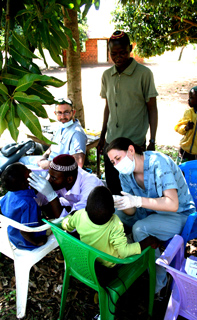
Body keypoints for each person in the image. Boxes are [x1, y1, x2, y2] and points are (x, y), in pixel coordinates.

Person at [106, 137, 196, 296]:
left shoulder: (158, 163)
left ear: (131, 150)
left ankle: (159, 284)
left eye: (118, 158)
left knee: (140, 229)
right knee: (114, 216)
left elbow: (172, 204)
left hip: (178, 213)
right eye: (113, 162)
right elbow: (132, 212)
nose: (117, 165)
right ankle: (119, 260)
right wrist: (121, 203)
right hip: (149, 211)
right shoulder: (125, 174)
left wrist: (137, 200)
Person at [97, 30, 158, 195]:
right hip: (111, 143)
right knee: (114, 187)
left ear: (130, 48)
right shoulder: (106, 75)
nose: (118, 57)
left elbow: (152, 108)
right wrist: (102, 137)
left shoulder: (144, 74)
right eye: (114, 53)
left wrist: (152, 140)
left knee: (135, 190)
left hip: (134, 143)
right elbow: (108, 107)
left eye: (123, 52)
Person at [61, 185, 160, 268]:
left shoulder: (79, 215)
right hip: (111, 263)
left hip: (90, 259)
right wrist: (147, 242)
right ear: (113, 212)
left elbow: (65, 225)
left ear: (86, 208)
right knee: (133, 237)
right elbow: (124, 252)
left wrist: (70, 216)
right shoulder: (115, 223)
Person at [28, 154, 104, 220]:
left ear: (69, 179)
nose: (49, 180)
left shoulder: (90, 187)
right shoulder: (58, 176)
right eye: (49, 175)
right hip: (71, 206)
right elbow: (41, 201)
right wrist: (35, 190)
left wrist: (52, 196)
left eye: (53, 178)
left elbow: (72, 223)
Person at [20, 98, 87, 169]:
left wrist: (50, 165)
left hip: (57, 172)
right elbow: (54, 146)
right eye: (59, 113)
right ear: (55, 113)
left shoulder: (77, 133)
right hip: (49, 162)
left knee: (19, 170)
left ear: (73, 112)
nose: (63, 116)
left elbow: (78, 164)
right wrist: (43, 157)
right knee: (20, 161)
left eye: (66, 112)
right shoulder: (60, 126)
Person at [0, 163, 47, 250]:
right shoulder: (28, 204)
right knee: (58, 226)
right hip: (25, 240)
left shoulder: (10, 194)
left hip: (12, 234)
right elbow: (25, 231)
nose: (30, 171)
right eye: (27, 171)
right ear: (25, 183)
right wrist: (36, 242)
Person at [175, 86, 197, 162]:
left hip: (196, 154)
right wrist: (186, 128)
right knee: (182, 170)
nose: (188, 100)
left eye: (191, 98)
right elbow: (178, 128)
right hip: (185, 150)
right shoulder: (188, 113)